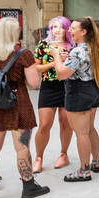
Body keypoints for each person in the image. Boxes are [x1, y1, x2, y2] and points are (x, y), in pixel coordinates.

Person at [0, 17, 51, 198]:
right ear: (15, 34)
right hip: (18, 105)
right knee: (22, 147)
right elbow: (34, 83)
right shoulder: (23, 54)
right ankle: (28, 185)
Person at [53, 17, 99, 182]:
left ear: (83, 32)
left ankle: (84, 170)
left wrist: (55, 56)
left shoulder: (77, 51)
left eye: (73, 28)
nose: (69, 30)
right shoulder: (96, 48)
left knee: (81, 133)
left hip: (78, 93)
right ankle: (96, 162)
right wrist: (66, 59)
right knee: (90, 129)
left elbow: (62, 74)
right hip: (94, 90)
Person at [32, 16, 74, 173]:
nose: (57, 30)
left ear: (67, 29)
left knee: (65, 123)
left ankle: (64, 154)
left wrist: (67, 59)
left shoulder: (72, 45)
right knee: (44, 125)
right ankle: (38, 157)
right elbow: (36, 67)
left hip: (67, 86)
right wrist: (54, 62)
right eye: (54, 27)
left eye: (61, 27)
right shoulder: (44, 45)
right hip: (49, 86)